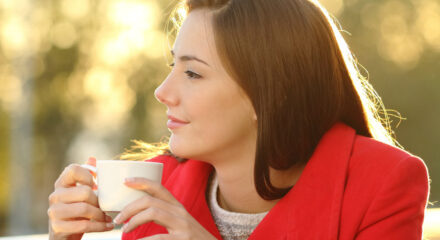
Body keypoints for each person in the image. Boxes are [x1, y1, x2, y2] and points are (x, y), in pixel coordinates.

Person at [47, 0, 430, 239]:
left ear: (272, 93)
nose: (162, 92)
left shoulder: (382, 184)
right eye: (172, 67)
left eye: (192, 73)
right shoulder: (152, 189)